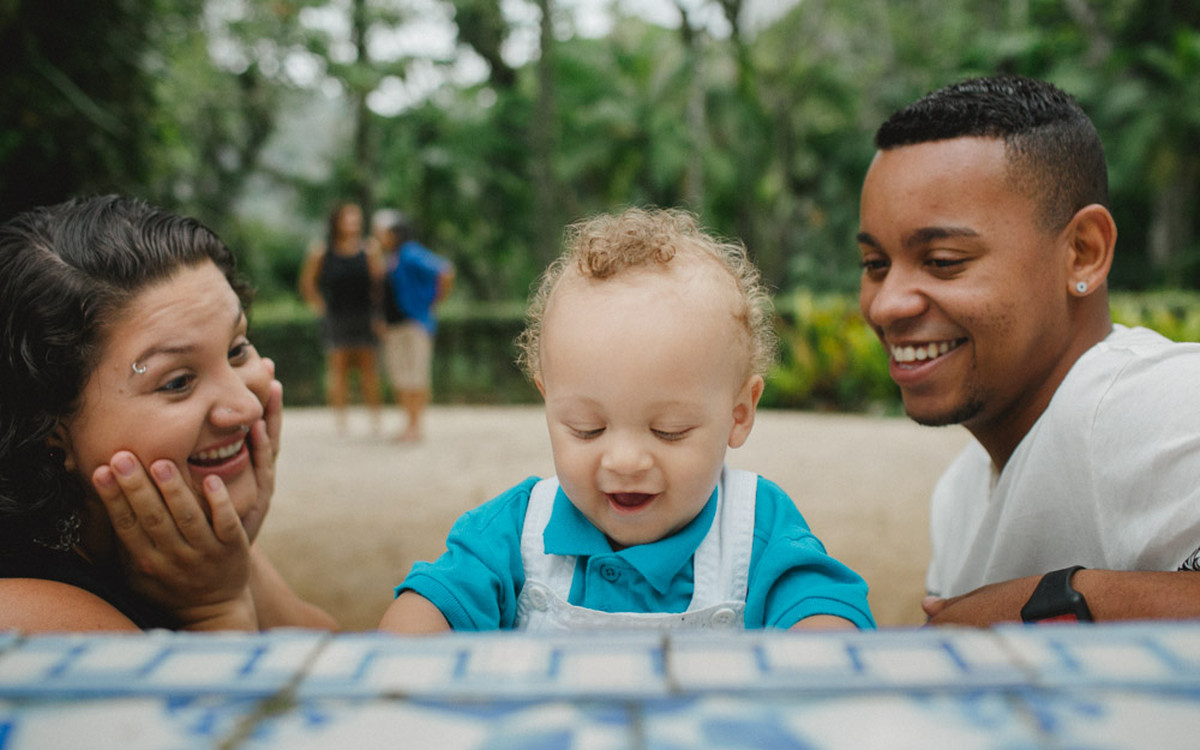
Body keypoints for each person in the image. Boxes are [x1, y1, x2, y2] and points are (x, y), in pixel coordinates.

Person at [380, 207, 875, 633]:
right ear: (547, 402)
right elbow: (425, 612)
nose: (625, 460)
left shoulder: (756, 529)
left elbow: (829, 620)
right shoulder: (514, 534)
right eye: (586, 428)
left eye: (669, 431)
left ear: (739, 414)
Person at [856, 74, 1200, 627]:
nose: (886, 305)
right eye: (875, 265)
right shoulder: (961, 494)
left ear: (1083, 254)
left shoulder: (1150, 404)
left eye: (943, 260)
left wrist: (1049, 602)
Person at [0, 195, 337, 632]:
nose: (247, 406)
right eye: (177, 382)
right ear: (49, 430)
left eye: (237, 350)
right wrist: (215, 610)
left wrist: (234, 551)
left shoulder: (176, 546)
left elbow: (328, 650)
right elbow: (232, 703)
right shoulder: (29, 618)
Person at [298, 202, 385, 435]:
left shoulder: (370, 249)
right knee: (338, 370)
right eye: (348, 218)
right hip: (337, 316)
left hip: (365, 315)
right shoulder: (321, 251)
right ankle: (340, 420)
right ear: (336, 222)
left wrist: (379, 314)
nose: (353, 223)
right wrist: (320, 306)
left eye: (356, 218)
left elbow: (379, 284)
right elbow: (308, 284)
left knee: (369, 370)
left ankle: (375, 418)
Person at [372, 209, 455, 442]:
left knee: (415, 375)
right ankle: (409, 423)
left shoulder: (409, 253)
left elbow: (444, 270)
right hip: (395, 326)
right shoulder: (392, 257)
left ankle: (416, 425)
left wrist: (433, 300)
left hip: (413, 323)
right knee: (401, 376)